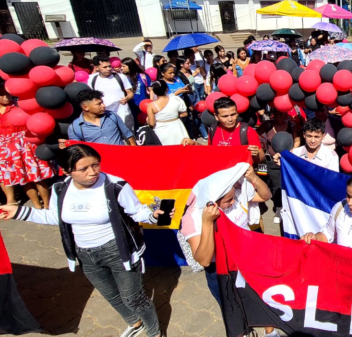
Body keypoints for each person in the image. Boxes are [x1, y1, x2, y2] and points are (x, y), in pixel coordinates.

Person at [0, 144, 168, 337]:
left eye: (96, 165)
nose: (92, 172)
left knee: (133, 298)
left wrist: (154, 216)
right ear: (66, 171)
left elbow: (138, 211)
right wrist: (20, 212)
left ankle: (155, 332)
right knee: (110, 294)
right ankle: (135, 323)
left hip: (118, 251)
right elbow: (55, 217)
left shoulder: (115, 185)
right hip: (85, 254)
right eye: (84, 169)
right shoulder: (59, 189)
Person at [180, 163, 272, 334]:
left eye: (233, 198)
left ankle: (270, 330)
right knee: (235, 311)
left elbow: (265, 195)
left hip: (246, 260)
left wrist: (253, 178)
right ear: (212, 202)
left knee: (260, 300)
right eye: (228, 201)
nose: (233, 203)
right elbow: (204, 260)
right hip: (221, 272)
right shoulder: (193, 218)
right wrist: (207, 223)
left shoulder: (234, 194)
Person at [0, 83, 52, 208]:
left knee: (37, 177)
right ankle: (37, 206)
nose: (7, 97)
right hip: (5, 149)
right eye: (2, 95)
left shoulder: (19, 108)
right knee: (24, 180)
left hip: (24, 146)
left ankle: (47, 205)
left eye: (7, 93)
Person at [65, 89, 136, 146]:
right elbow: (76, 148)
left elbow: (128, 134)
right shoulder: (75, 127)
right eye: (99, 104)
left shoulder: (112, 116)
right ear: (86, 107)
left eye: (102, 102)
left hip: (121, 158)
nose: (103, 105)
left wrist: (134, 150)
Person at [90, 56, 134, 129]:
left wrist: (126, 98)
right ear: (96, 68)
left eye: (109, 66)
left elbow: (130, 92)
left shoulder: (120, 77)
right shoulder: (92, 79)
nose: (108, 69)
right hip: (103, 115)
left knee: (127, 136)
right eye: (105, 67)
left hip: (122, 113)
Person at [146, 81, 192, 146]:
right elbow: (185, 114)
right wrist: (173, 116)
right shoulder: (176, 99)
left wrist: (148, 120)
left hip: (161, 131)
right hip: (177, 128)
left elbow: (152, 123)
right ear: (167, 89)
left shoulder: (151, 105)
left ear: (154, 92)